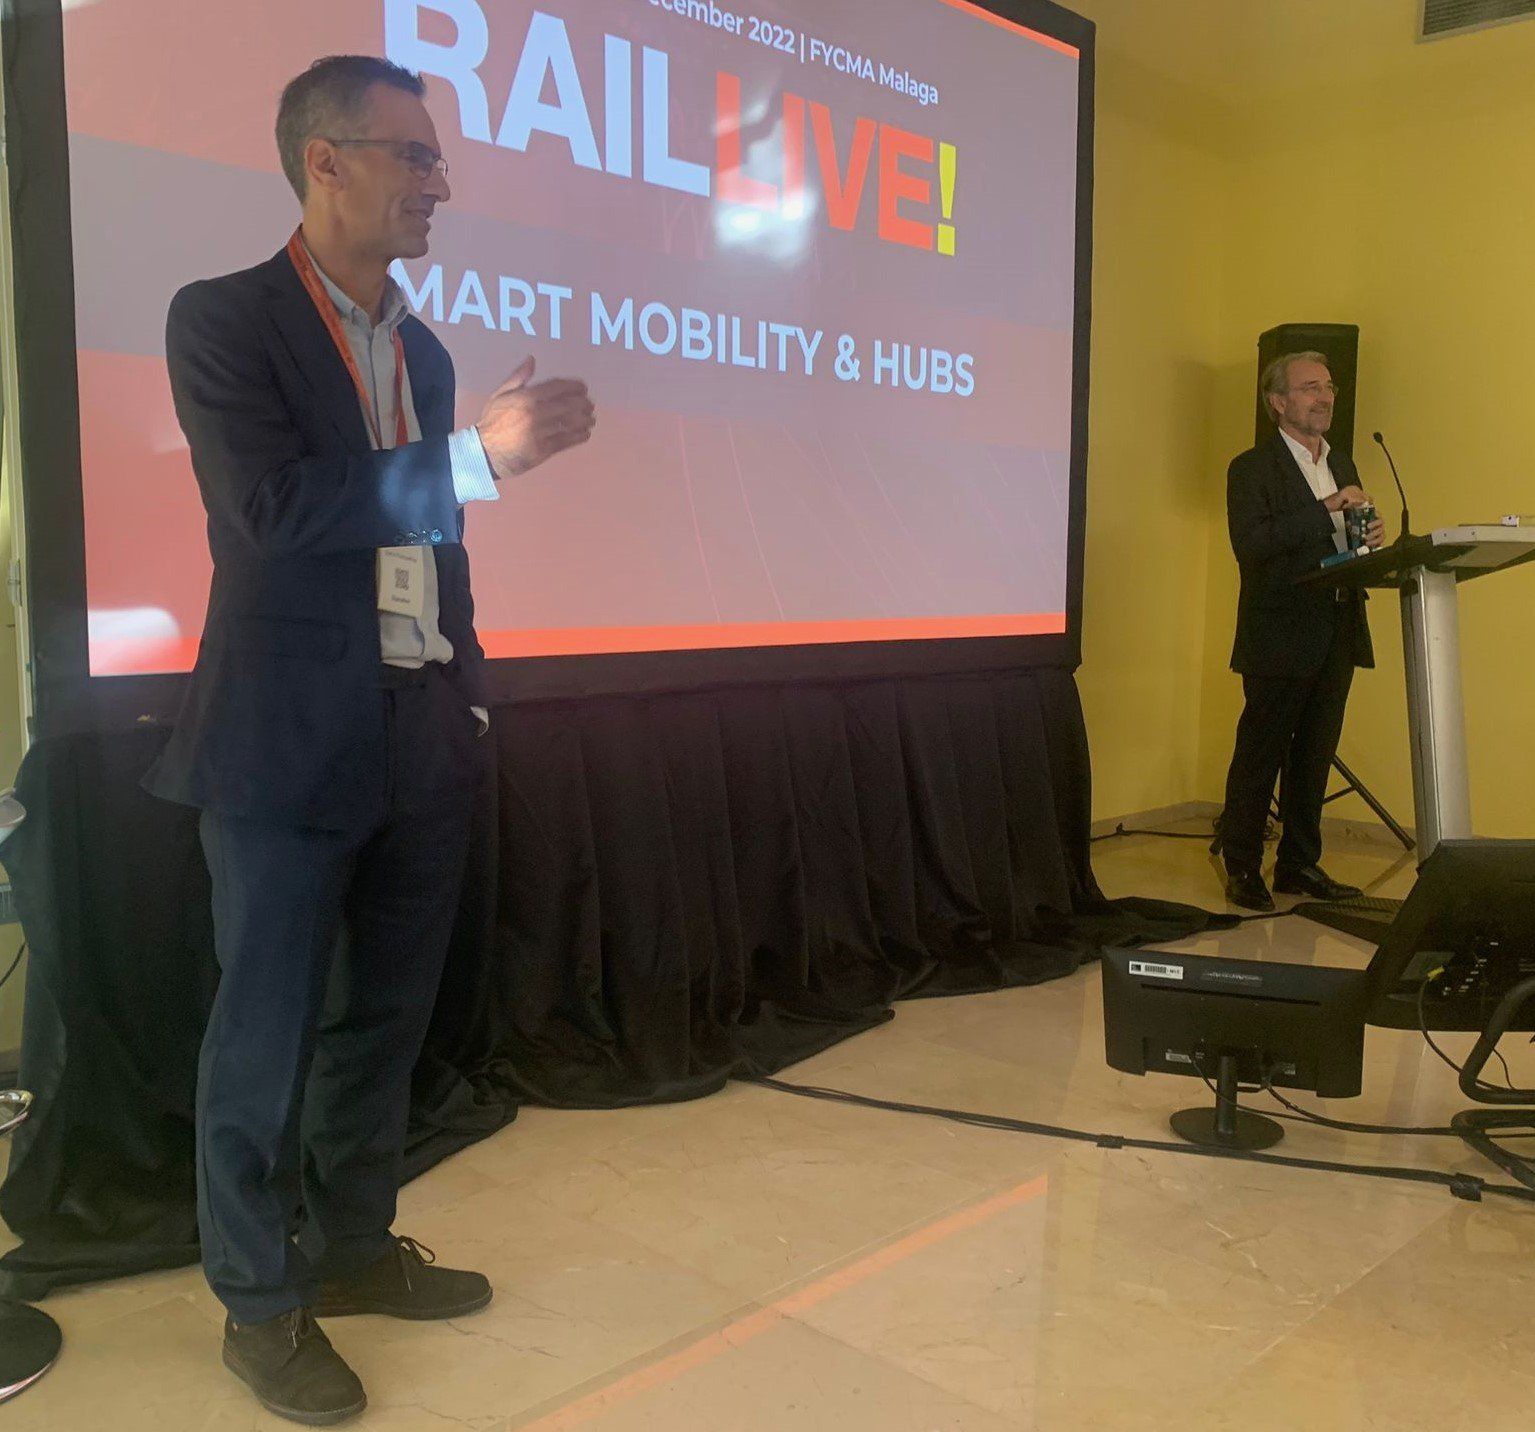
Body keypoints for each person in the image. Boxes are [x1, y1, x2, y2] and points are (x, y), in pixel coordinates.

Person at [142, 55, 596, 1425]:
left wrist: (465, 690)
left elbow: (431, 546)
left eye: (437, 157)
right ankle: (258, 1302)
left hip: (419, 729)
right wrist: (474, 462)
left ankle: (349, 1246)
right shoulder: (223, 318)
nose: (439, 181)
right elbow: (273, 513)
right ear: (324, 161)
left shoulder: (428, 350)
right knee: (264, 1038)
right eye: (414, 154)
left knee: (382, 1026)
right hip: (282, 744)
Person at [1217, 351, 1384, 912]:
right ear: (1278, 402)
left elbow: (1339, 546)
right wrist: (1328, 506)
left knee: (1315, 754)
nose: (1325, 397)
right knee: (1261, 752)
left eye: (1329, 387)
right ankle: (1242, 864)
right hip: (1279, 632)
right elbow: (1253, 545)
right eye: (1310, 387)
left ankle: (1299, 864)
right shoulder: (1251, 468)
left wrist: (1367, 538)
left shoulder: (1343, 461)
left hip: (1338, 625)